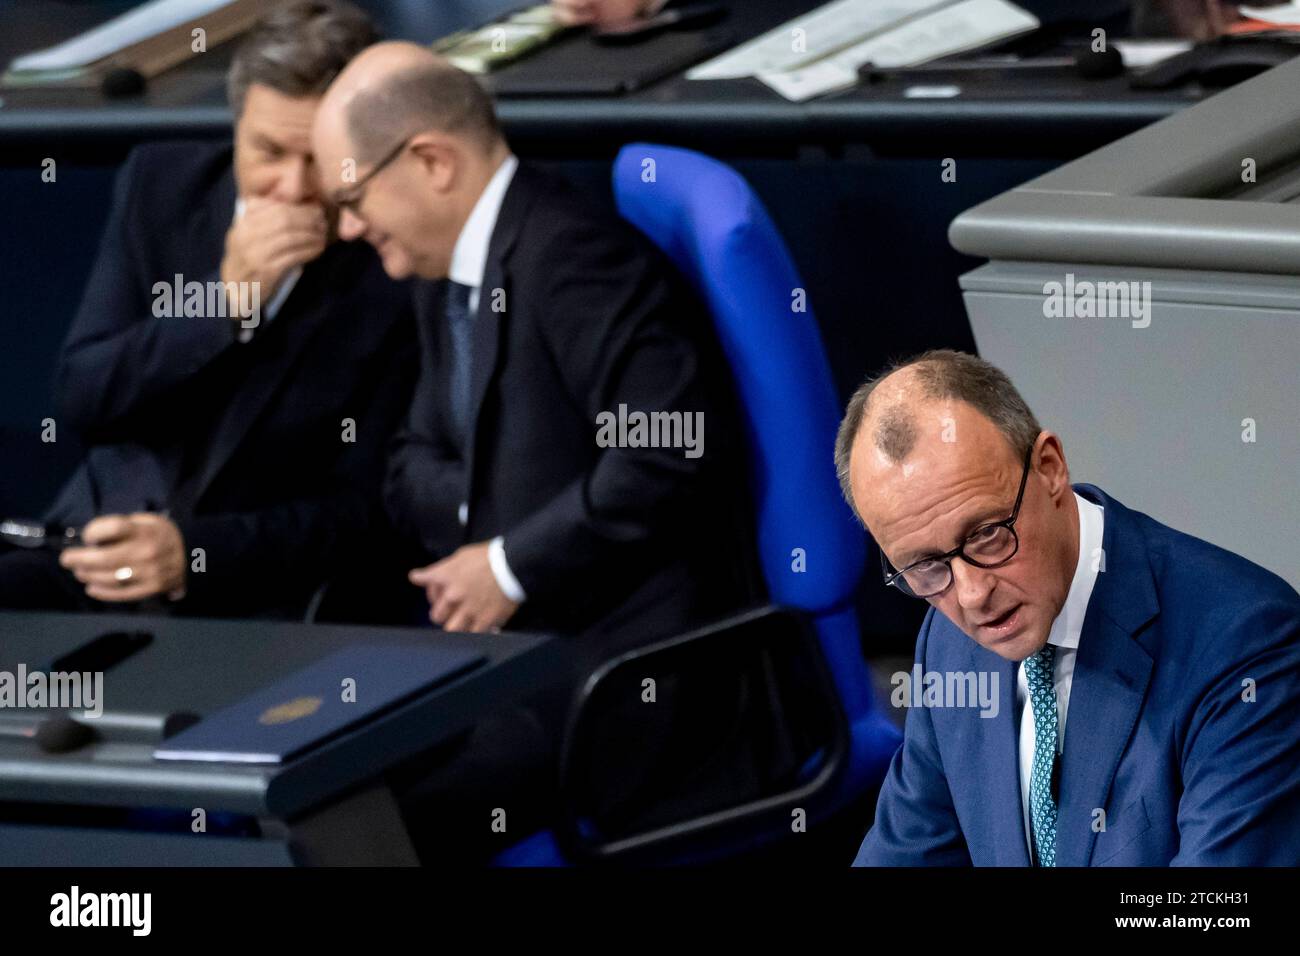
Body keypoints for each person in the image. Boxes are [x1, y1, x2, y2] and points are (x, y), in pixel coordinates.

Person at [311, 42, 762, 860]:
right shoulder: (439, 270)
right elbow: (407, 459)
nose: (346, 226)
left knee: (354, 826)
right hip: (517, 649)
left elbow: (669, 453)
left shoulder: (574, 258)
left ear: (431, 162)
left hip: (625, 676)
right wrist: (483, 537)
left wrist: (508, 564)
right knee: (319, 782)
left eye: (350, 196)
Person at [0, 0, 418, 619]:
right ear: (236, 126)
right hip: (89, 550)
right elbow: (85, 397)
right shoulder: (162, 185)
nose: (295, 188)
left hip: (257, 590)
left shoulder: (395, 257)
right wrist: (222, 302)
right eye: (270, 152)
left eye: (321, 161)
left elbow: (372, 509)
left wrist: (192, 553)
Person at [837, 349, 1300, 866]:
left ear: (1050, 468)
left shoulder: (1244, 644)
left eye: (988, 534)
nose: (970, 595)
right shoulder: (946, 643)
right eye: (923, 566)